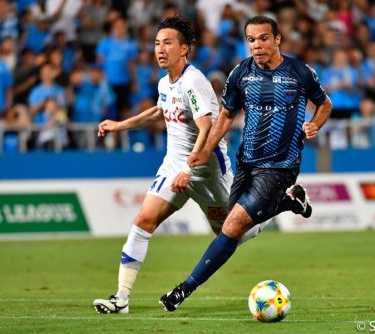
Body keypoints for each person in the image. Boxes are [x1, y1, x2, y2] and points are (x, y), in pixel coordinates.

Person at [92, 15, 305, 315]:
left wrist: (188, 170)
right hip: (173, 168)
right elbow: (160, 111)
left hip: (207, 173)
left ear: (184, 49)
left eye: (167, 43)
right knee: (143, 222)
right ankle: (121, 298)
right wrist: (120, 125)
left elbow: (206, 128)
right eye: (156, 43)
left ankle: (284, 202)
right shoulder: (165, 81)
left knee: (233, 233)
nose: (160, 49)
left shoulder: (194, 82)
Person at [159, 15, 332, 312]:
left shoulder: (299, 72)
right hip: (246, 162)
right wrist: (205, 151)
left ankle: (183, 289)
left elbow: (325, 104)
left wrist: (314, 124)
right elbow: (225, 116)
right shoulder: (240, 74)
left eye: (263, 38)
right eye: (251, 40)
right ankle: (291, 203)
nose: (257, 45)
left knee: (233, 225)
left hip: (280, 165)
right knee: (233, 228)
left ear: (277, 39)